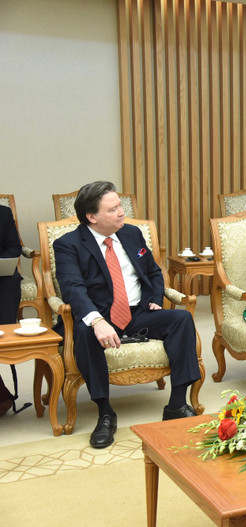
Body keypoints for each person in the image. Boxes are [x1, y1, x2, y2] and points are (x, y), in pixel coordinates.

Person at [53, 181, 202, 449]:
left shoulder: (132, 234)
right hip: (99, 315)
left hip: (137, 313)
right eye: (113, 209)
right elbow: (73, 289)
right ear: (92, 217)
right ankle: (105, 413)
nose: (121, 212)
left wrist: (154, 299)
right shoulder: (68, 245)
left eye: (120, 206)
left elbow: (154, 272)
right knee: (84, 332)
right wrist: (97, 320)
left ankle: (177, 404)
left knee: (181, 320)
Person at [0, 204, 23, 417]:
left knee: (12, 279)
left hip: (1, 275)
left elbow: (14, 247)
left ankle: (4, 337)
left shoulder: (3, 213)